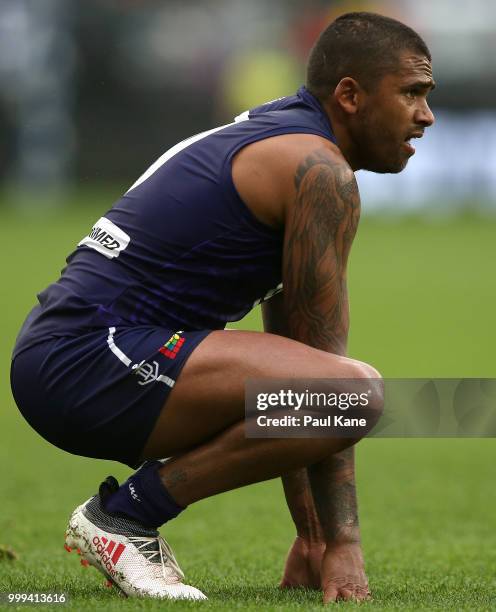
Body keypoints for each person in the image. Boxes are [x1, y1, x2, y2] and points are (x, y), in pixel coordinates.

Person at [10, 11, 435, 604]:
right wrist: (344, 542)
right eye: (412, 92)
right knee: (353, 394)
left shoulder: (286, 141)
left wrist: (314, 537)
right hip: (85, 355)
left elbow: (301, 377)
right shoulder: (319, 171)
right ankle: (124, 517)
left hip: (76, 353)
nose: (426, 114)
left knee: (331, 390)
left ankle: (128, 515)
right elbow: (330, 390)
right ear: (350, 96)